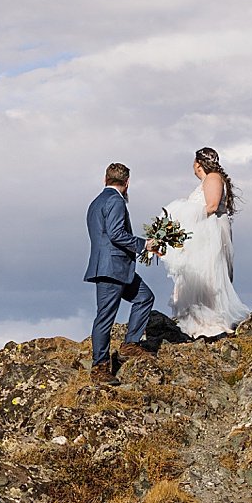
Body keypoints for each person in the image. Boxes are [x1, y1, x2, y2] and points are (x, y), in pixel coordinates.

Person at [160, 146, 251, 339]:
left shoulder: (213, 178)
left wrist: (183, 217)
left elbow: (211, 205)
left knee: (208, 275)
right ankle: (198, 322)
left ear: (198, 164)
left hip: (210, 235)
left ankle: (212, 323)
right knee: (196, 275)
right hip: (202, 234)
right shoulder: (207, 180)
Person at [85, 161, 157, 382]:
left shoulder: (95, 202)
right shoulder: (116, 201)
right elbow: (116, 234)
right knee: (105, 317)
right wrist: (144, 244)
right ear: (127, 182)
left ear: (105, 179)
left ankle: (130, 344)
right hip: (112, 268)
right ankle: (99, 367)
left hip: (113, 267)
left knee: (144, 297)